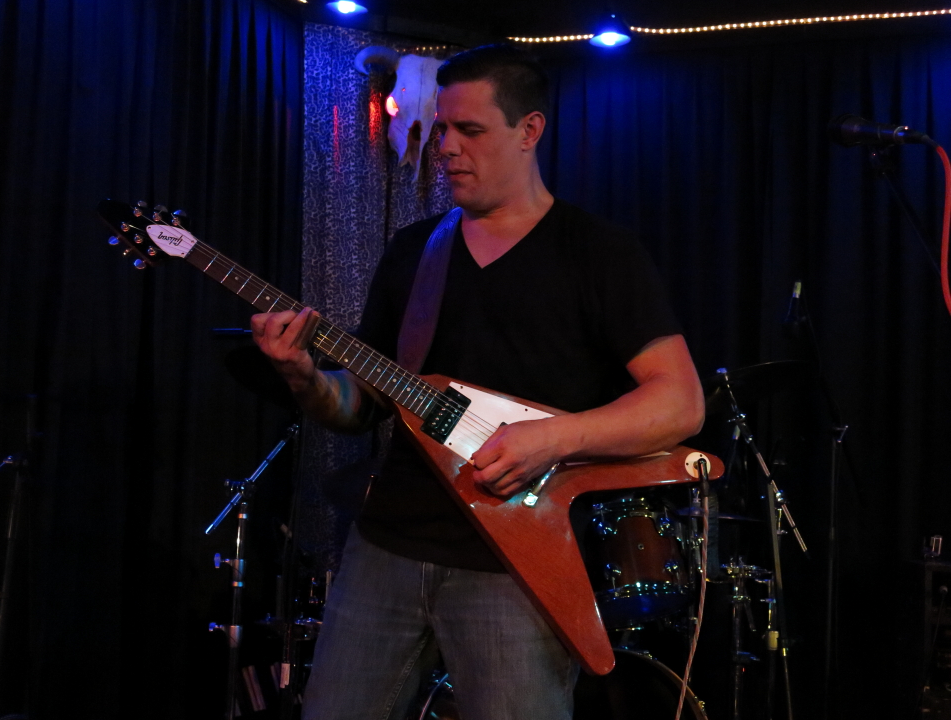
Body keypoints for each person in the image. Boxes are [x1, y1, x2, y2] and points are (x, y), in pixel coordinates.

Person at [251, 44, 705, 720]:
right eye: (441, 130)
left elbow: (680, 403)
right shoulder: (415, 251)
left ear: (529, 130)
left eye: (469, 130)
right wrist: (304, 376)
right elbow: (360, 405)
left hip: (517, 564)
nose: (446, 148)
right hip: (387, 546)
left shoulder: (599, 254)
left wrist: (552, 438)